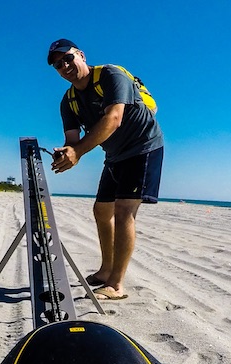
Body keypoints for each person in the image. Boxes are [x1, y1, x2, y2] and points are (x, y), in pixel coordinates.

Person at [47, 39, 164, 301]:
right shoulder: (69, 101)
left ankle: (116, 284)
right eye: (57, 64)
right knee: (101, 211)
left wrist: (77, 152)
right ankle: (105, 270)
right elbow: (72, 139)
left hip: (143, 147)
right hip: (114, 154)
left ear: (81, 55)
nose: (64, 66)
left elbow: (114, 118)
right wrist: (66, 153)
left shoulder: (111, 74)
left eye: (67, 58)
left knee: (124, 211)